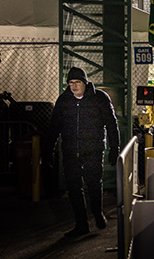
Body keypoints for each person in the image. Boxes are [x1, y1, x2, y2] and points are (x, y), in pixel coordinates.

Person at [45, 66, 119, 238]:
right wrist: (48, 151)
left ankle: (97, 213)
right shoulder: (64, 100)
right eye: (71, 82)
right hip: (70, 151)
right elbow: (54, 127)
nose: (74, 86)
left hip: (93, 150)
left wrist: (114, 148)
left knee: (94, 183)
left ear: (85, 82)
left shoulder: (99, 98)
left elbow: (111, 123)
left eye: (77, 82)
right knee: (74, 188)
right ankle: (81, 224)